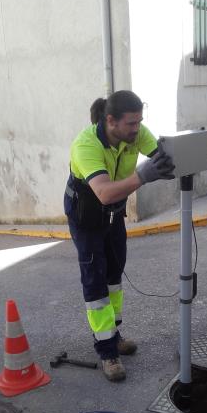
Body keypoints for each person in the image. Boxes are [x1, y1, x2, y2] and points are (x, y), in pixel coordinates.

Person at [64, 90, 175, 382]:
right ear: (111, 121)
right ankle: (107, 352)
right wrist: (142, 176)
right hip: (87, 216)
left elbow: (165, 159)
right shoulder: (85, 144)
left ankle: (114, 333)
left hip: (113, 214)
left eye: (140, 122)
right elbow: (103, 192)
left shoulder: (134, 133)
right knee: (95, 278)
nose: (137, 129)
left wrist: (197, 151)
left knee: (114, 275)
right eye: (131, 124)